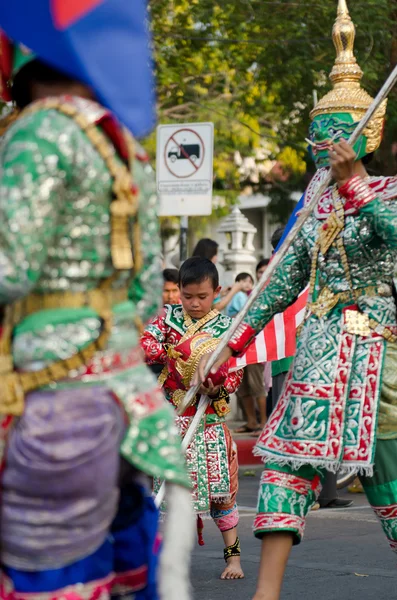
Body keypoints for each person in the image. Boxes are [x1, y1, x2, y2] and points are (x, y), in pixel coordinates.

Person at [193, 3, 397, 599]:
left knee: (389, 475)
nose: (322, 144)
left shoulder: (386, 191)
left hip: (379, 353)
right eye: (318, 133)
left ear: (368, 132)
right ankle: (266, 594)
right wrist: (232, 345)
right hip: (317, 351)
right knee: (284, 466)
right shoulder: (310, 210)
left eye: (336, 132)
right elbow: (276, 289)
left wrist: (357, 183)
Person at [0, 37, 191, 600]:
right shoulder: (123, 145)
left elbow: (8, 269)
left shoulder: (37, 132)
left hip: (53, 408)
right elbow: (149, 295)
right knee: (131, 581)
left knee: (51, 583)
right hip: (130, 408)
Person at [141, 257, 245, 581]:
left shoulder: (226, 327)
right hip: (172, 418)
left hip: (208, 420)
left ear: (216, 291)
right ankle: (163, 561)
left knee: (221, 494)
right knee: (165, 496)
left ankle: (234, 559)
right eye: (188, 296)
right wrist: (169, 353)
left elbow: (235, 375)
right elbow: (144, 343)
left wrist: (217, 388)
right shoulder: (166, 319)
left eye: (202, 296)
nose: (194, 303)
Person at [232, 267, 268, 434]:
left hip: (253, 346)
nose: (245, 285)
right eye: (242, 282)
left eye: (248, 281)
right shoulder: (236, 296)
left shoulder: (259, 296)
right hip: (236, 347)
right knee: (242, 386)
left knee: (256, 385)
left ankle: (264, 422)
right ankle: (251, 421)